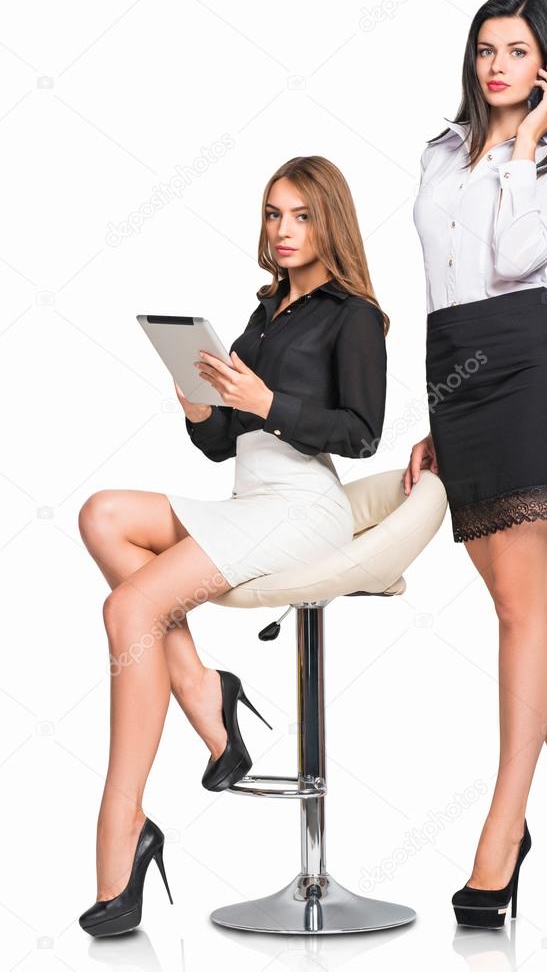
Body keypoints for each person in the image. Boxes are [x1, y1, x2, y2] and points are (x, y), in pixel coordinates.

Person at [77, 156, 388, 936]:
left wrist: (266, 401)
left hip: (304, 507)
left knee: (131, 607)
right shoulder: (265, 313)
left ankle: (124, 828)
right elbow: (223, 446)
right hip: (249, 499)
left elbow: (361, 431)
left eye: (300, 216)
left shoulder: (352, 315)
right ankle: (204, 690)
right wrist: (199, 408)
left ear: (329, 223)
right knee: (102, 514)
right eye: (273, 215)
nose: (283, 231)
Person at [403, 0, 547, 927]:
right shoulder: (435, 151)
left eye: (517, 53)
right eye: (486, 50)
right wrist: (436, 411)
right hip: (454, 367)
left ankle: (501, 833)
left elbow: (515, 253)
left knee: (518, 609)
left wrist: (517, 147)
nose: (497, 66)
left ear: (546, 66)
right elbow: (436, 278)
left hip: (529, 365)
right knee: (523, 610)